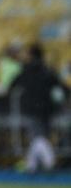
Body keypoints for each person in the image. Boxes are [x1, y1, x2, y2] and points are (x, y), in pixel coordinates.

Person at [9, 44, 69, 172]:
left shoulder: (26, 70)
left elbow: (11, 85)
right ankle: (32, 164)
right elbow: (62, 87)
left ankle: (50, 161)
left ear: (30, 55)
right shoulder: (48, 70)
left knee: (37, 137)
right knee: (40, 136)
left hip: (30, 108)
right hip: (47, 108)